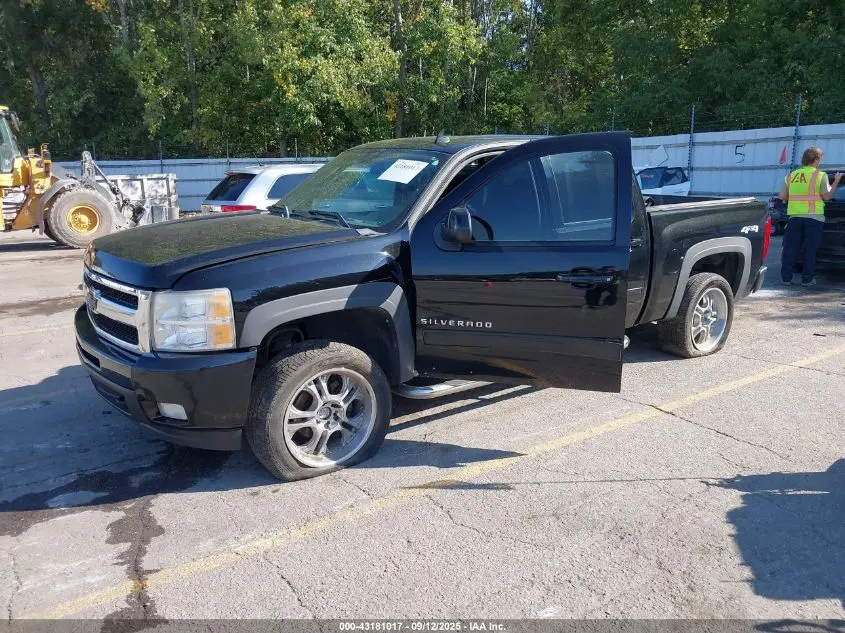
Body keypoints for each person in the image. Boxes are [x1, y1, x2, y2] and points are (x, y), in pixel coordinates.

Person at [780, 147, 842, 287]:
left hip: (794, 217)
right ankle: (807, 280)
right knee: (810, 250)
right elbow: (826, 196)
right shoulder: (820, 175)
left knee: (790, 249)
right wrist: (836, 181)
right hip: (814, 218)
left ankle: (786, 279)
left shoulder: (791, 175)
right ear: (816, 159)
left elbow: (783, 196)